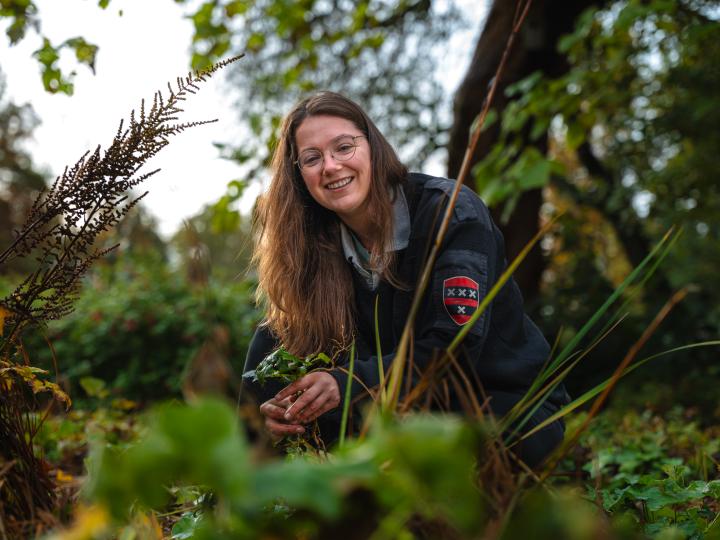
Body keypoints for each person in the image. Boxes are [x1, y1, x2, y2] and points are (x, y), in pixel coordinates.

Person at [241, 91, 568, 467]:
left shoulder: (450, 213)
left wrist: (348, 383)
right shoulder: (315, 244)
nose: (330, 166)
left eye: (343, 147)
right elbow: (277, 339)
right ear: (300, 177)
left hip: (501, 408)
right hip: (402, 419)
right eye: (312, 158)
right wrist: (267, 414)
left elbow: (455, 351)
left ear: (373, 147)